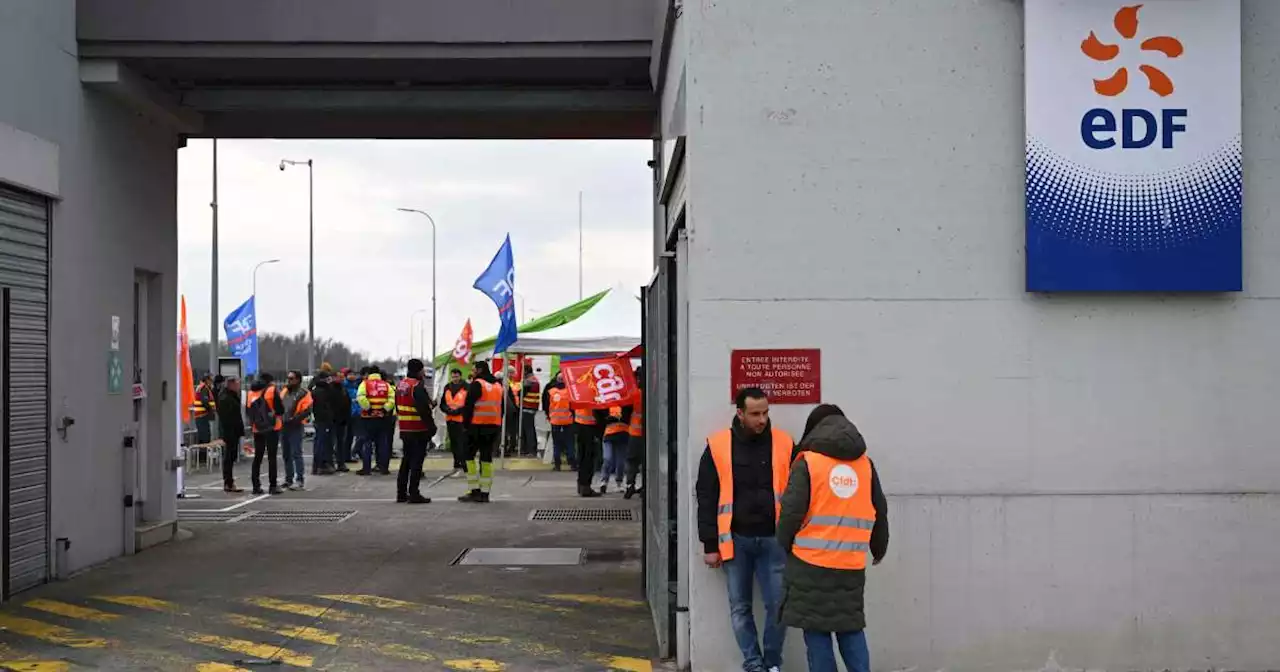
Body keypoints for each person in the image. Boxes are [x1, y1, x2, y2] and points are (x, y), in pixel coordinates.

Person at [777, 405, 889, 672]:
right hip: (850, 563)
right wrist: (879, 548)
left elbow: (791, 512)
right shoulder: (865, 465)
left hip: (810, 562)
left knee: (816, 630)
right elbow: (879, 509)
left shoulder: (808, 462)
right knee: (850, 626)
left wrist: (784, 543)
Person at [695, 387, 796, 672]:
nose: (762, 419)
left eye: (765, 412)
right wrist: (710, 545)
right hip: (735, 541)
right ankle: (754, 664)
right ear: (739, 413)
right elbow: (706, 496)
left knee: (778, 606)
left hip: (774, 540)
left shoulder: (785, 443)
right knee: (740, 608)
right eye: (755, 414)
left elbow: (801, 493)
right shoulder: (718, 446)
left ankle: (772, 664)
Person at [395, 358, 436, 504]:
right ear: (419, 370)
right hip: (418, 429)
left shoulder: (401, 385)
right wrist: (432, 428)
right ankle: (414, 493)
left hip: (405, 428)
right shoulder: (417, 386)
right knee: (416, 463)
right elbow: (424, 410)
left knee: (406, 461)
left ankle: (401, 493)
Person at [459, 362, 502, 503]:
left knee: (468, 456)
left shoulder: (477, 384)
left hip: (476, 426)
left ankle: (474, 489)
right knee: (486, 458)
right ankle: (485, 493)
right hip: (493, 426)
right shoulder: (497, 385)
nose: (473, 371)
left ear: (479, 370)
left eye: (474, 369)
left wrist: (465, 426)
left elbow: (468, 406)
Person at [246, 373, 285, 495]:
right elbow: (280, 409)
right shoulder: (272, 390)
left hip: (257, 428)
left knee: (258, 457)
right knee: (272, 457)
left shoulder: (251, 392)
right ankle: (273, 486)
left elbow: (248, 411)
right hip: (272, 427)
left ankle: (255, 486)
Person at [356, 366, 395, 475]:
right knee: (382, 443)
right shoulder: (386, 385)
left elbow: (360, 397)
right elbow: (392, 399)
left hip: (368, 418)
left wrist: (369, 408)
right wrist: (384, 409)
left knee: (367, 443)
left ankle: (366, 468)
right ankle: (383, 468)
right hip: (382, 418)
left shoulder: (365, 384)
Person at [280, 370, 313, 490]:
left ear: (298, 380)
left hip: (295, 426)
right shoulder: (284, 391)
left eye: (291, 378)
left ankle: (300, 480)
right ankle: (288, 479)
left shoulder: (304, 393)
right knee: (286, 454)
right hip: (284, 425)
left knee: (296, 453)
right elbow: (279, 406)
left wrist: (295, 420)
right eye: (288, 378)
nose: (289, 380)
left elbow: (307, 410)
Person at [573, 401, 610, 498]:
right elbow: (600, 409)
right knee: (589, 458)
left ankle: (581, 485)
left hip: (580, 424)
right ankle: (586, 487)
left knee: (582, 456)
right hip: (591, 426)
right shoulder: (593, 390)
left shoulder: (580, 389)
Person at [215, 376, 245, 493]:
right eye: (237, 384)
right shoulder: (225, 397)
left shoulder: (231, 396)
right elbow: (227, 417)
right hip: (230, 432)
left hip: (233, 431)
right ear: (231, 384)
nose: (238, 386)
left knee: (231, 457)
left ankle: (229, 481)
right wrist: (231, 430)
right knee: (229, 457)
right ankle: (228, 482)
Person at [542, 371, 576, 471]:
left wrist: (549, 416)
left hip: (555, 420)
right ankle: (572, 463)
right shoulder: (569, 392)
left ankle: (557, 465)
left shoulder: (551, 391)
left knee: (556, 443)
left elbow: (546, 405)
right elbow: (573, 407)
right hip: (568, 421)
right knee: (570, 442)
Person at [439, 368, 470, 472]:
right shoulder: (447, 387)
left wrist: (458, 411)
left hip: (461, 419)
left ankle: (464, 464)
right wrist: (447, 410)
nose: (454, 379)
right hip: (450, 418)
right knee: (454, 443)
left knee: (462, 443)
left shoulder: (466, 387)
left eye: (456, 376)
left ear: (460, 376)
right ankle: (456, 462)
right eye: (453, 377)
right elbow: (442, 403)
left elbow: (469, 404)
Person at [309, 370, 339, 475]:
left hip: (320, 419)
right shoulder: (323, 391)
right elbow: (324, 407)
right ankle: (321, 465)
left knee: (320, 442)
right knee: (323, 443)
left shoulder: (316, 389)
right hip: (323, 420)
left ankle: (319, 465)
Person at [624, 365, 645, 499]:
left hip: (634, 433)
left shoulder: (634, 394)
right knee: (647, 462)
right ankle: (645, 488)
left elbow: (626, 413)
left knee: (632, 462)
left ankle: (630, 486)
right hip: (648, 436)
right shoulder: (653, 393)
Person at [600, 405, 631, 494]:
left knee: (620, 462)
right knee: (608, 459)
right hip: (609, 435)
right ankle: (604, 482)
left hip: (622, 436)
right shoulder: (608, 403)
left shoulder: (626, 405)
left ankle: (619, 482)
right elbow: (602, 418)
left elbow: (627, 418)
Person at [340, 367, 363, 468]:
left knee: (354, 436)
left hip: (357, 413)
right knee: (347, 437)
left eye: (353, 374)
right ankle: (346, 455)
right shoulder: (344, 386)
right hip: (348, 414)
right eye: (350, 374)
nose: (352, 376)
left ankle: (349, 454)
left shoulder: (356, 386)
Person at [519, 364, 541, 456]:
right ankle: (532, 449)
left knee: (528, 430)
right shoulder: (535, 379)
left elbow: (522, 394)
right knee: (531, 429)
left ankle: (530, 450)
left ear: (526, 371)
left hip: (527, 406)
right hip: (533, 406)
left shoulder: (528, 381)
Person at [191, 374, 217, 444]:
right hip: (202, 416)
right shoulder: (204, 388)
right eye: (211, 381)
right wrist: (211, 410)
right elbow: (205, 401)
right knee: (205, 437)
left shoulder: (201, 387)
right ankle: (203, 454)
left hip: (201, 416)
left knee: (203, 437)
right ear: (207, 380)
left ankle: (202, 454)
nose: (212, 383)